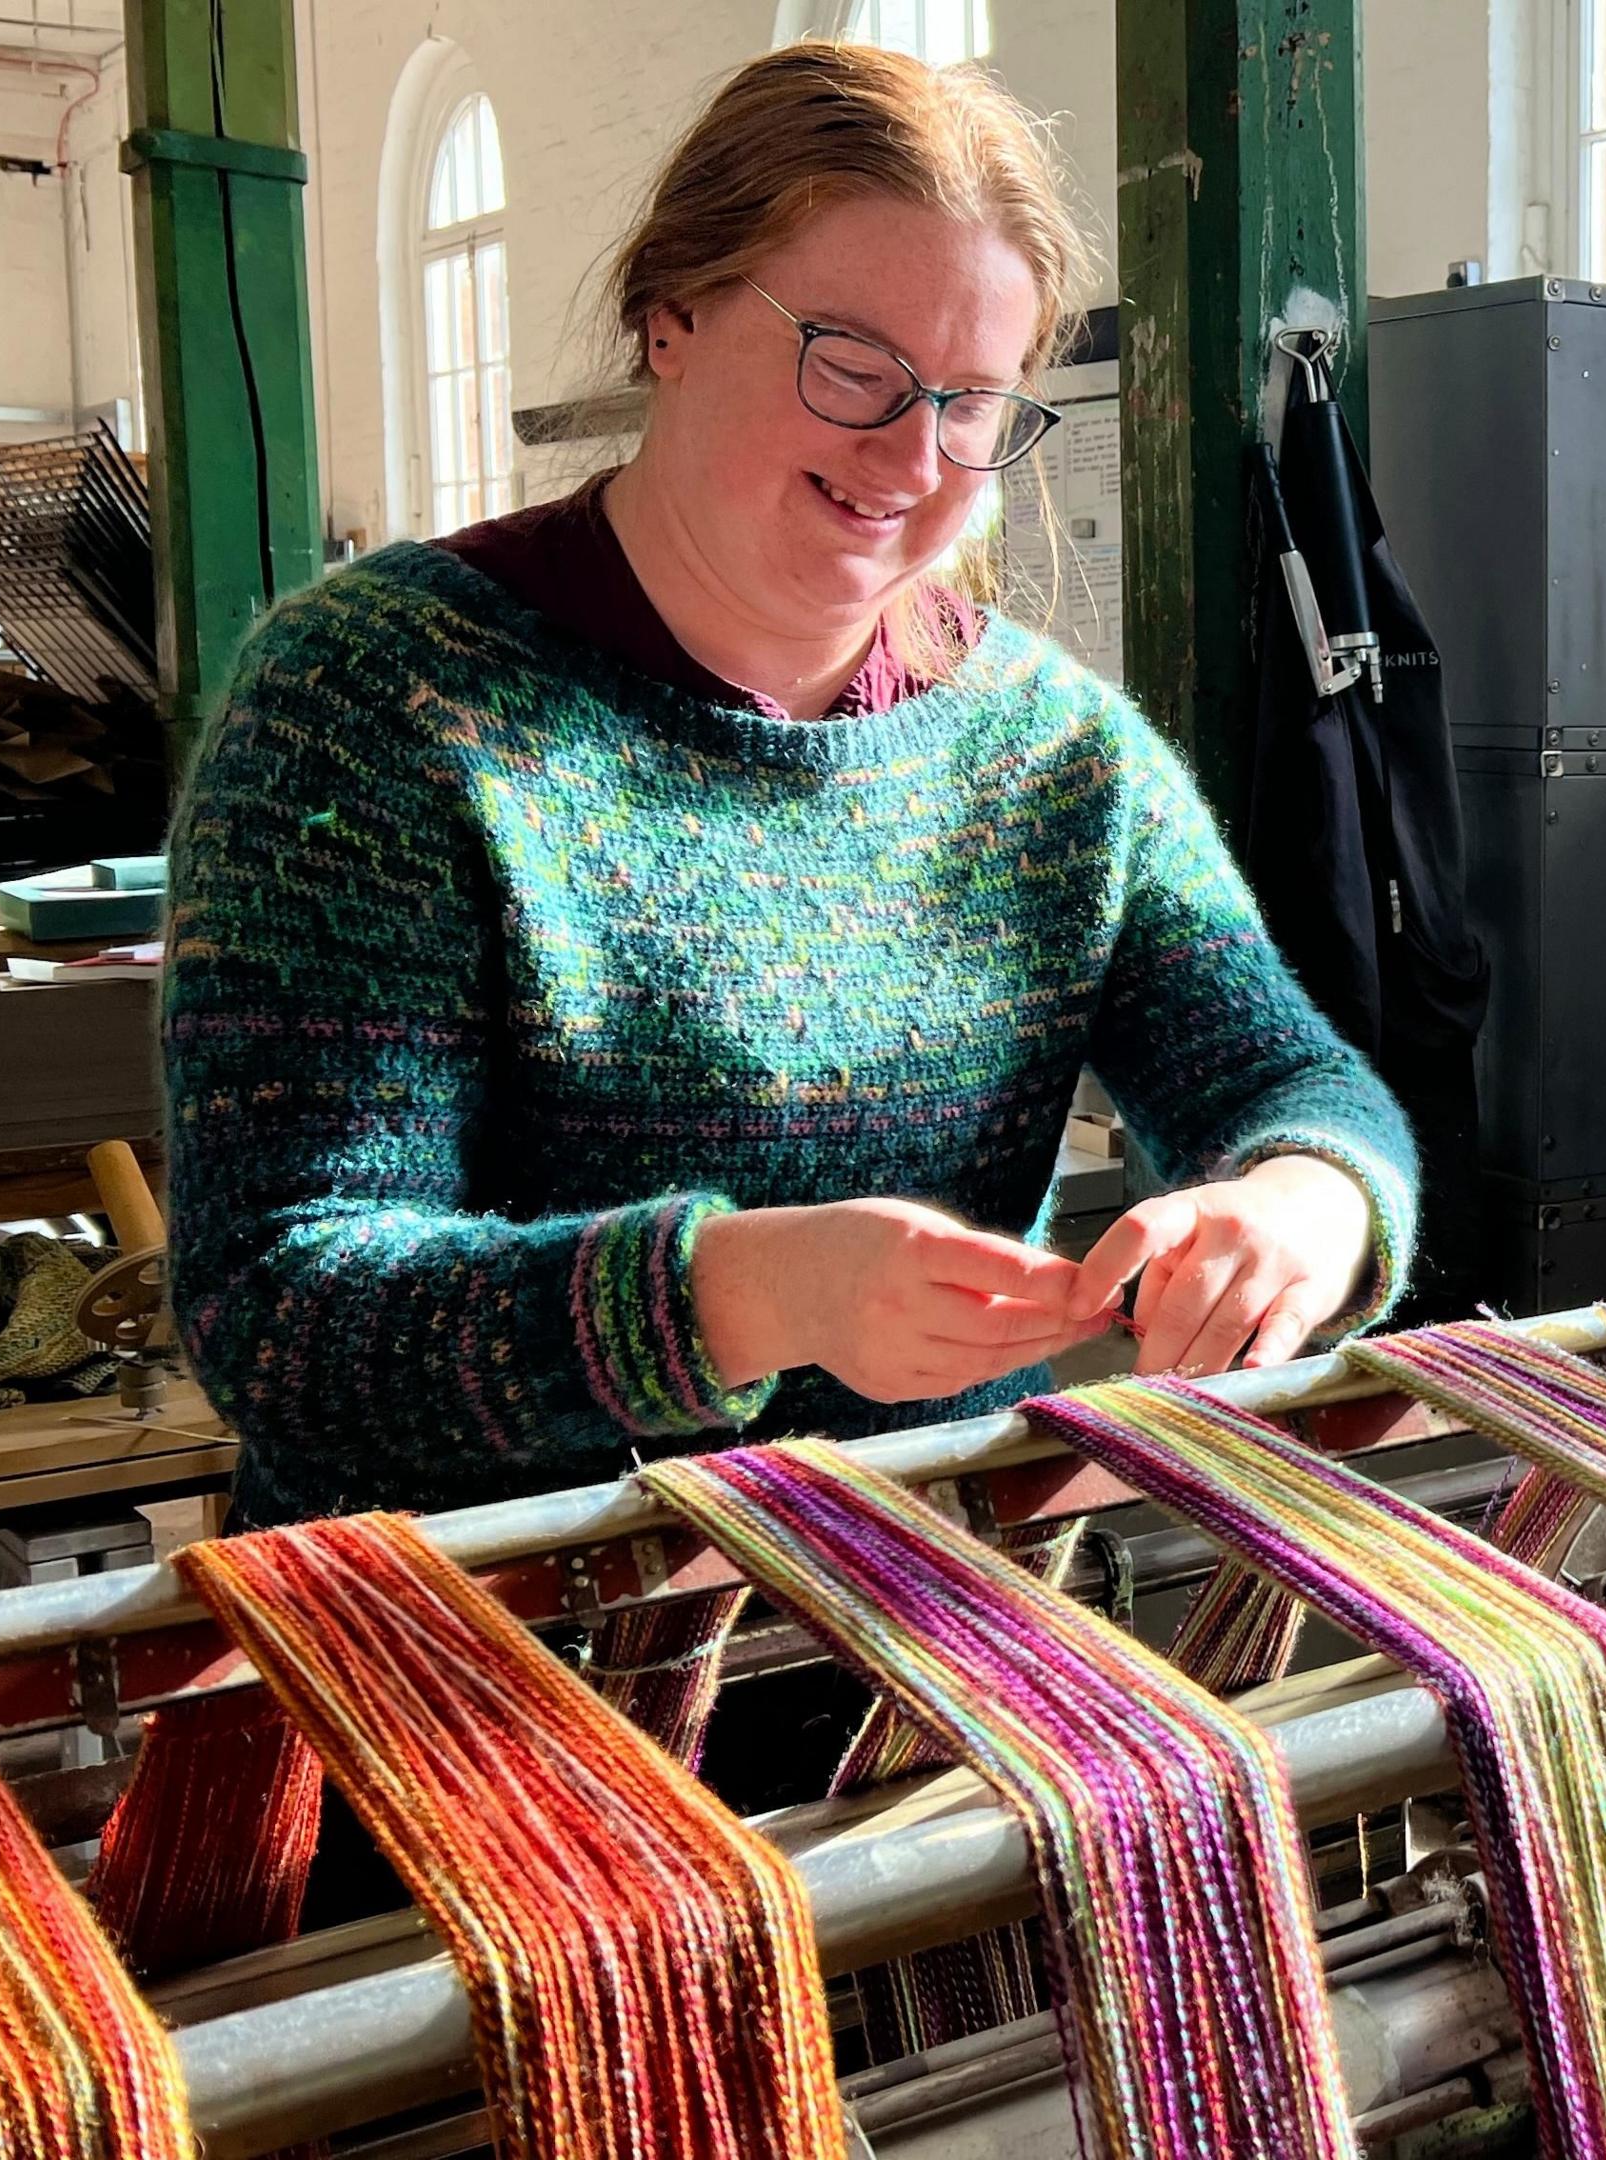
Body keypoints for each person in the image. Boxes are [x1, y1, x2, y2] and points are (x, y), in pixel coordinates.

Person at [161, 45, 1414, 1526]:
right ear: (671, 315)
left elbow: (1295, 1085)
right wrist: (737, 1299)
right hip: (468, 1648)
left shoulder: (1055, 756)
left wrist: (1306, 1203)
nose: (910, 452)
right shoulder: (381, 700)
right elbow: (283, 1313)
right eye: (853, 364)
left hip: (914, 1626)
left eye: (972, 401)